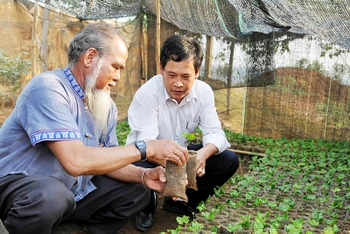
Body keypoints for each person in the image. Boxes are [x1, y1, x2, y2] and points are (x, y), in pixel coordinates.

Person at [0, 23, 189, 234]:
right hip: (18, 188)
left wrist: (144, 175)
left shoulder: (104, 105)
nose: (118, 76)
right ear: (90, 57)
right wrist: (147, 147)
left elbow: (109, 160)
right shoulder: (48, 88)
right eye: (116, 67)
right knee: (51, 196)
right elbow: (76, 161)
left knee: (138, 192)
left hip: (70, 192)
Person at [126, 34, 240, 218]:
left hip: (179, 154)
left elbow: (214, 133)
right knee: (136, 168)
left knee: (227, 160)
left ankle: (181, 202)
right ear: (162, 68)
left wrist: (201, 156)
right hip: (146, 155)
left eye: (186, 76)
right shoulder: (148, 93)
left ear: (197, 72)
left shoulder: (204, 92)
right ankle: (145, 208)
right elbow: (145, 143)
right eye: (171, 75)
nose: (178, 83)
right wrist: (179, 166)